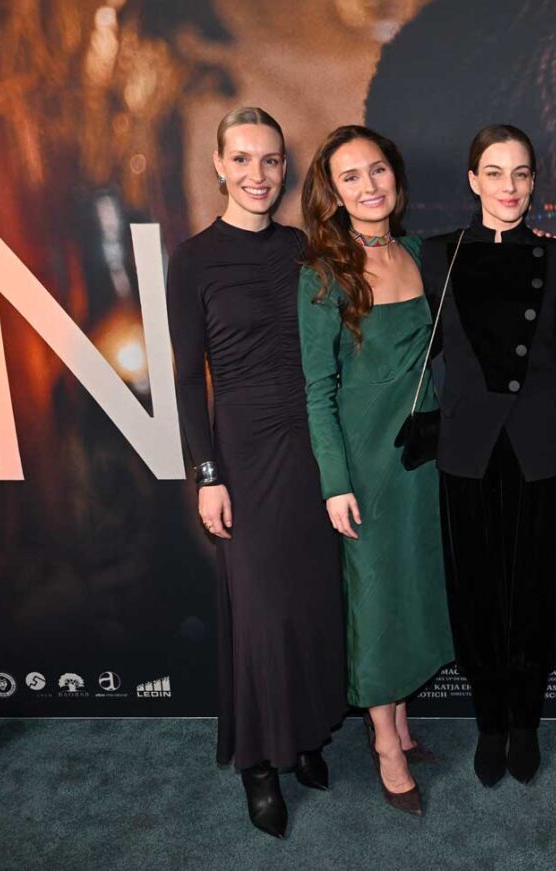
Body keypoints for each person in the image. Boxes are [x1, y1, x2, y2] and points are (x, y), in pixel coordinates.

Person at [165, 107, 347, 839]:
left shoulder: (303, 248)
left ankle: (304, 734)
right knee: (261, 613)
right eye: (241, 159)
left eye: (270, 160)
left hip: (311, 445)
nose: (257, 174)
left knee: (311, 601)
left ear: (285, 166)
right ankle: (260, 762)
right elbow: (186, 379)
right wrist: (206, 473)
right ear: (218, 165)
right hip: (242, 453)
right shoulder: (193, 260)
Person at [298, 125, 454, 817]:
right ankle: (385, 744)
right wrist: (334, 482)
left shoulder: (418, 254)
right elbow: (317, 390)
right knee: (376, 596)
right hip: (364, 463)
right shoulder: (322, 273)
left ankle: (402, 725)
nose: (369, 185)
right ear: (333, 194)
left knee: (412, 586)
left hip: (421, 456)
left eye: (378, 169)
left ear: (396, 176)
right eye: (351, 176)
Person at [420, 125, 556, 788]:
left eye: (520, 173)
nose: (508, 186)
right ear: (472, 180)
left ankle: (526, 722)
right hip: (467, 446)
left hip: (539, 443)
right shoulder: (437, 254)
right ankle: (490, 722)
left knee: (534, 589)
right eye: (494, 172)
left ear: (534, 182)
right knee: (476, 589)